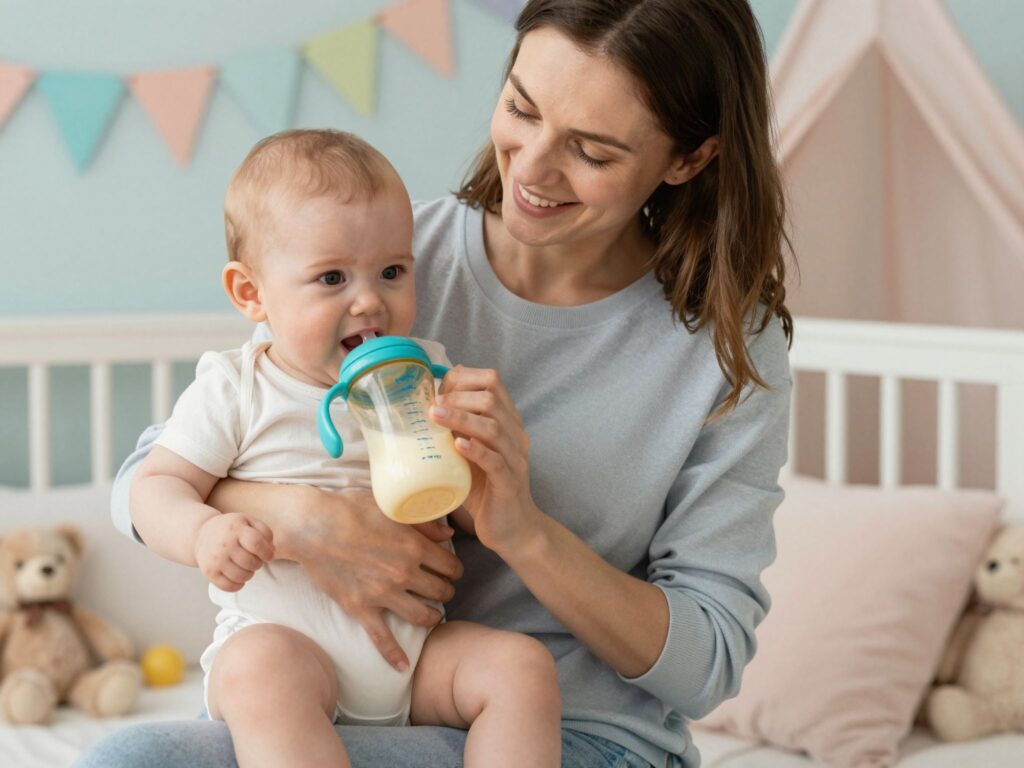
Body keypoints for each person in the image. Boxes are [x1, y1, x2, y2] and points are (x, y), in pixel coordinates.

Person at [79, 0, 793, 766]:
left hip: (564, 730)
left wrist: (524, 532)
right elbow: (150, 479)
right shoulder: (379, 252)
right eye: (521, 108)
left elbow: (708, 666)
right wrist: (304, 521)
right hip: (333, 698)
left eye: (591, 150)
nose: (533, 167)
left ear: (687, 159)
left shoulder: (724, 344)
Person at [127, 129, 561, 768]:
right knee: (261, 670)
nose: (369, 299)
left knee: (521, 668)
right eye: (331, 277)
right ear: (251, 293)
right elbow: (153, 486)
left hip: (413, 662)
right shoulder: (238, 387)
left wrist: (487, 464)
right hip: (290, 654)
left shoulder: (427, 373)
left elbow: (469, 513)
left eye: (392, 271)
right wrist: (201, 535)